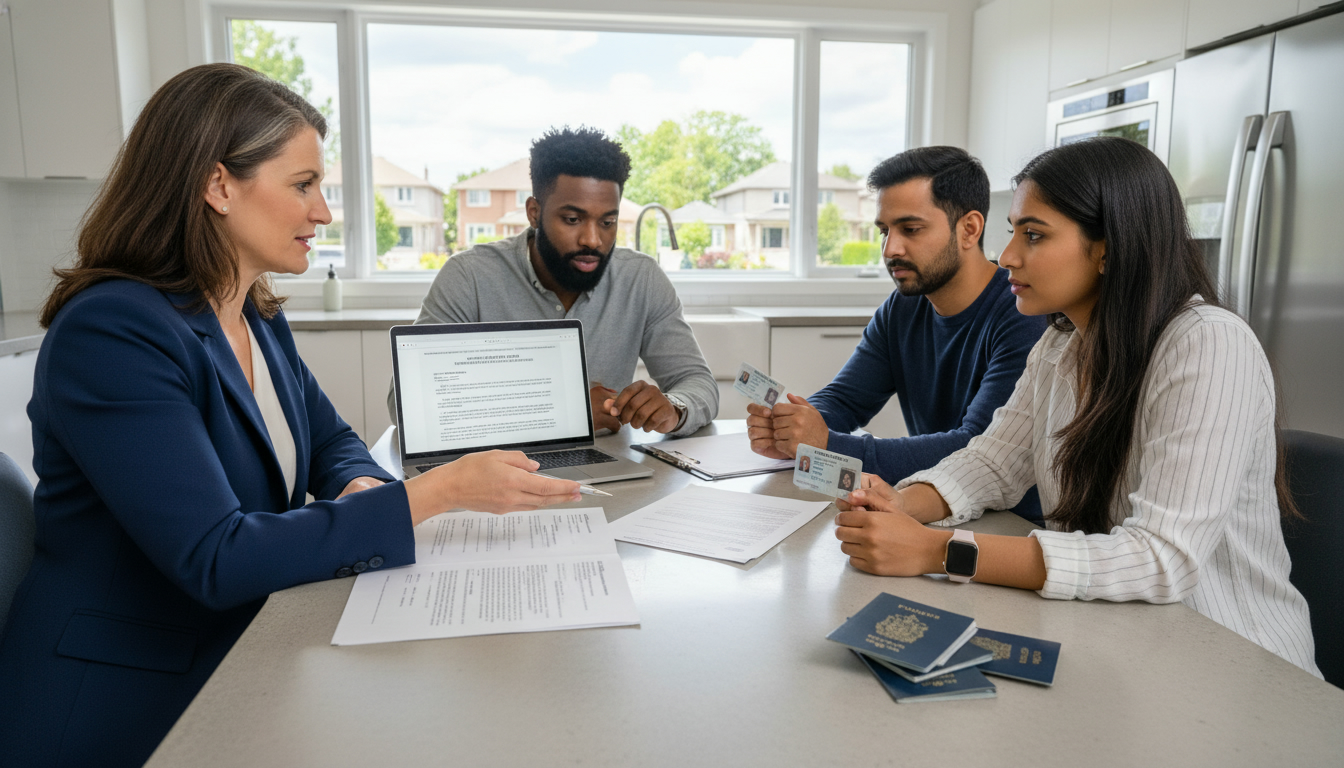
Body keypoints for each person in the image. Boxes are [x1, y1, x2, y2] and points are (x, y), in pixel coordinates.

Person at [0, 64, 581, 767]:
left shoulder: (251, 311)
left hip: (237, 644)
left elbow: (331, 440)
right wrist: (434, 494)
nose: (324, 213)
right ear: (218, 185)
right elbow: (215, 557)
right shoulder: (114, 331)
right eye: (303, 185)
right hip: (123, 694)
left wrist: (359, 487)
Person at [834, 137, 1320, 676]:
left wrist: (934, 550)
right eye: (1013, 231)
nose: (1009, 255)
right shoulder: (1062, 343)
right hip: (1119, 639)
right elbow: (992, 462)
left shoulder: (1208, 345)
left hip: (1232, 667)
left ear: (1109, 247)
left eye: (1034, 235)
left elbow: (1160, 559)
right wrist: (903, 506)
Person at [747, 147, 1048, 521]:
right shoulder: (904, 306)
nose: (890, 249)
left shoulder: (1024, 313)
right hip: (926, 509)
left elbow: (978, 447)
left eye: (910, 229)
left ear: (969, 229)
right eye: (884, 231)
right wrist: (793, 427)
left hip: (1009, 523)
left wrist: (826, 443)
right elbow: (846, 399)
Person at [390, 127, 718, 436]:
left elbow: (697, 382)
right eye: (572, 220)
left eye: (607, 221)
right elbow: (405, 404)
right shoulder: (470, 276)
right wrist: (560, 411)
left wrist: (674, 409)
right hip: (494, 468)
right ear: (534, 212)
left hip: (610, 469)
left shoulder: (641, 279)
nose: (593, 239)